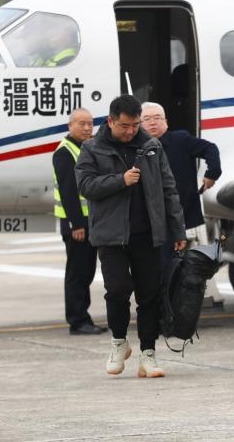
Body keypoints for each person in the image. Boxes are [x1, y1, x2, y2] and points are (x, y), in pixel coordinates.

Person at [75, 95, 187, 377]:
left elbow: (169, 189)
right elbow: (85, 185)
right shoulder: (92, 148)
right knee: (117, 290)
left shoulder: (151, 146)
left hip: (147, 234)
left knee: (149, 294)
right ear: (111, 121)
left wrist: (177, 229)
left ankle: (148, 354)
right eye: (125, 126)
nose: (130, 131)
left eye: (135, 125)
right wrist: (120, 180)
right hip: (110, 235)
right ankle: (119, 342)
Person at [140, 101, 224, 306]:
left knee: (168, 267)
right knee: (150, 269)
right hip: (146, 220)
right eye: (147, 119)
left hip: (177, 218)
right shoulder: (135, 146)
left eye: (157, 118)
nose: (152, 123)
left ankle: (168, 309)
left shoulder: (180, 140)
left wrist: (211, 174)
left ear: (166, 122)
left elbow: (210, 148)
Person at [52, 107, 106, 336]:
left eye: (90, 123)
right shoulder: (65, 152)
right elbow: (68, 192)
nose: (87, 128)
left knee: (86, 271)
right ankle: (77, 321)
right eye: (81, 123)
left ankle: (83, 318)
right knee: (78, 273)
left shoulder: (86, 147)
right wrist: (77, 225)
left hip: (88, 222)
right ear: (70, 126)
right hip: (77, 224)